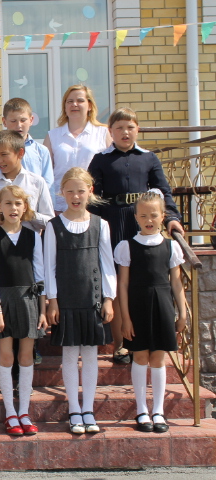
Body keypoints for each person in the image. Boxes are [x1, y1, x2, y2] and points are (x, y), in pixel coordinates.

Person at [88, 107, 184, 365]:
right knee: (119, 281)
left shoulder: (149, 158)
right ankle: (120, 343)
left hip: (143, 221)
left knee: (140, 281)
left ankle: (143, 339)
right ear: (110, 131)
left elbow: (163, 191)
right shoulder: (101, 159)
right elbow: (93, 197)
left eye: (130, 127)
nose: (125, 132)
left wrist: (172, 218)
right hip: (113, 221)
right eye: (119, 128)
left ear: (137, 129)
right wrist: (94, 226)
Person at [44, 167, 116, 435]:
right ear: (62, 193)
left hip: (92, 299)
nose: (76, 196)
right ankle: (74, 409)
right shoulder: (54, 226)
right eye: (70, 191)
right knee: (70, 354)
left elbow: (107, 264)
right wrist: (52, 300)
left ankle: (88, 409)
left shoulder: (101, 224)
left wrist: (108, 298)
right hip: (66, 300)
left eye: (81, 191)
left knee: (90, 355)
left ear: (90, 192)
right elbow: (49, 266)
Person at [115, 192, 188, 433]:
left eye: (153, 215)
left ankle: (158, 410)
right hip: (137, 305)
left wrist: (182, 313)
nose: (149, 220)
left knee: (158, 358)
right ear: (136, 217)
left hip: (163, 306)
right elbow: (123, 284)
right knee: (139, 356)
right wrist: (125, 318)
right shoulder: (127, 246)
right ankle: (142, 410)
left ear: (162, 216)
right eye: (143, 215)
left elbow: (176, 282)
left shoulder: (171, 246)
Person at [0, 186, 46, 436]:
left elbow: (39, 274)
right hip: (4, 301)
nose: (13, 208)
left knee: (26, 356)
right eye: (8, 203)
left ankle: (24, 412)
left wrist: (42, 308)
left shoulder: (33, 236)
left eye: (18, 203)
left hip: (29, 300)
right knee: (6, 356)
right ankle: (10, 412)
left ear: (25, 207)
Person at [43, 85, 111, 213]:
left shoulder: (103, 133)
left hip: (93, 205)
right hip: (60, 204)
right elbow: (46, 173)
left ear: (89, 105)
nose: (74, 104)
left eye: (80, 100)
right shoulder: (52, 136)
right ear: (65, 107)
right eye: (70, 101)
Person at [0, 98, 54, 190]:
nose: (18, 125)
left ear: (31, 120)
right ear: (4, 122)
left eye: (23, 120)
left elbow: (48, 184)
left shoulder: (41, 151)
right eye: (13, 121)